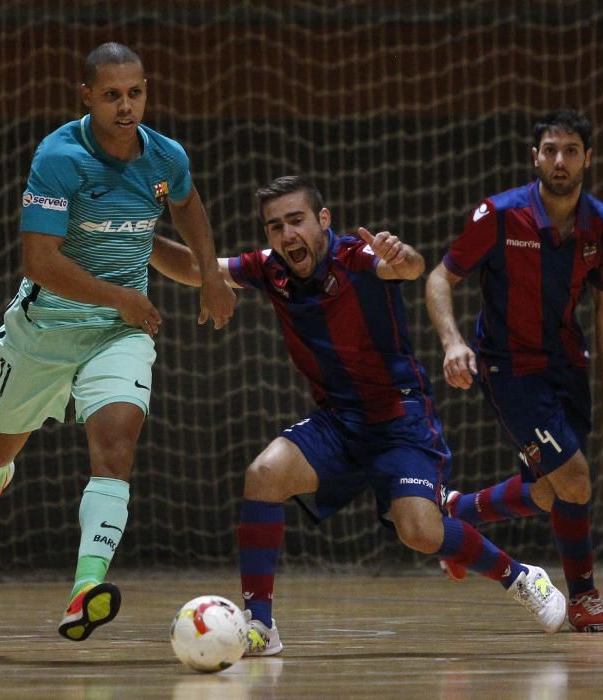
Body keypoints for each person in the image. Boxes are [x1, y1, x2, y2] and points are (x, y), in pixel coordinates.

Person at [150, 174, 568, 654]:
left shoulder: (357, 256)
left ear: (322, 220)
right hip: (338, 422)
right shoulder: (269, 269)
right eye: (274, 226)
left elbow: (408, 267)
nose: (287, 235)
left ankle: (518, 576)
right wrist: (141, 238)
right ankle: (260, 626)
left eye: (296, 221)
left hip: (400, 418)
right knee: (264, 474)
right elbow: (196, 269)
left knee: (419, 532)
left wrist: (401, 255)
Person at [0, 42, 236, 641]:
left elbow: (188, 206)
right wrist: (119, 295)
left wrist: (211, 276)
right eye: (112, 95)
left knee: (116, 444)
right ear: (86, 96)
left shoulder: (164, 157)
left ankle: (86, 587)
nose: (126, 105)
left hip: (119, 334)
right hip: (44, 334)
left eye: (135, 92)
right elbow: (38, 261)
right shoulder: (59, 157)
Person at [425, 108, 603, 633]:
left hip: (567, 364)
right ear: (534, 157)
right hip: (508, 367)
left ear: (588, 157)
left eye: (570, 151)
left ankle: (459, 510)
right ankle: (583, 598)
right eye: (550, 150)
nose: (559, 161)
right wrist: (452, 344)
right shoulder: (498, 214)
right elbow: (439, 278)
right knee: (576, 478)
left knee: (551, 489)